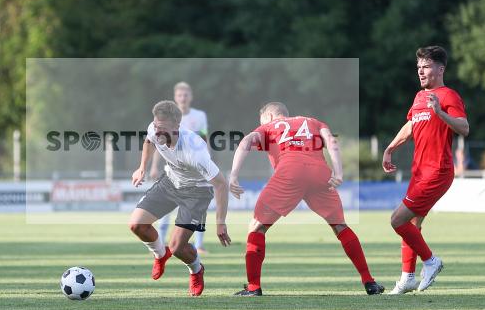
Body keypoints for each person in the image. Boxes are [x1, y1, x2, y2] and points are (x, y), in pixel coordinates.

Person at [228, 102, 384, 296]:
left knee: (256, 227)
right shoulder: (313, 122)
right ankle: (369, 282)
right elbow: (331, 141)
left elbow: (245, 142)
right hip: (320, 173)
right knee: (340, 226)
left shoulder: (268, 126)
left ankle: (253, 287)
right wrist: (338, 171)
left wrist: (233, 175)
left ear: (269, 116)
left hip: (290, 172)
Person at [382, 45, 469, 294]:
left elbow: (464, 128)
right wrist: (390, 148)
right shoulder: (420, 97)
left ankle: (431, 261)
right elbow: (411, 125)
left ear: (441, 69)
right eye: (419, 67)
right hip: (419, 171)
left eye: (426, 66)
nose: (421, 71)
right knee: (412, 224)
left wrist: (440, 112)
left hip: (437, 171)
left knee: (397, 220)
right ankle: (408, 277)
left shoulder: (448, 96)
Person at [130, 100, 231, 296]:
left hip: (196, 192)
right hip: (170, 182)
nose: (157, 131)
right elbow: (149, 141)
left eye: (162, 128)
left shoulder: (195, 151)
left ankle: (197, 270)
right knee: (137, 225)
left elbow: (221, 184)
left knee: (177, 248)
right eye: (156, 126)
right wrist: (142, 168)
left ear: (177, 126)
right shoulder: (154, 128)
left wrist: (221, 222)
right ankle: (160, 255)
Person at [150, 82, 210, 253]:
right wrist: (154, 166)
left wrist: (208, 161)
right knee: (167, 207)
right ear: (175, 97)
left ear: (191, 97)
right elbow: (159, 144)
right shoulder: (167, 117)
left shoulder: (200, 116)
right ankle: (161, 243)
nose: (183, 98)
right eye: (180, 95)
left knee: (199, 206)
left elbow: (204, 140)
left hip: (194, 169)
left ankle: (199, 245)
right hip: (173, 169)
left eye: (185, 95)